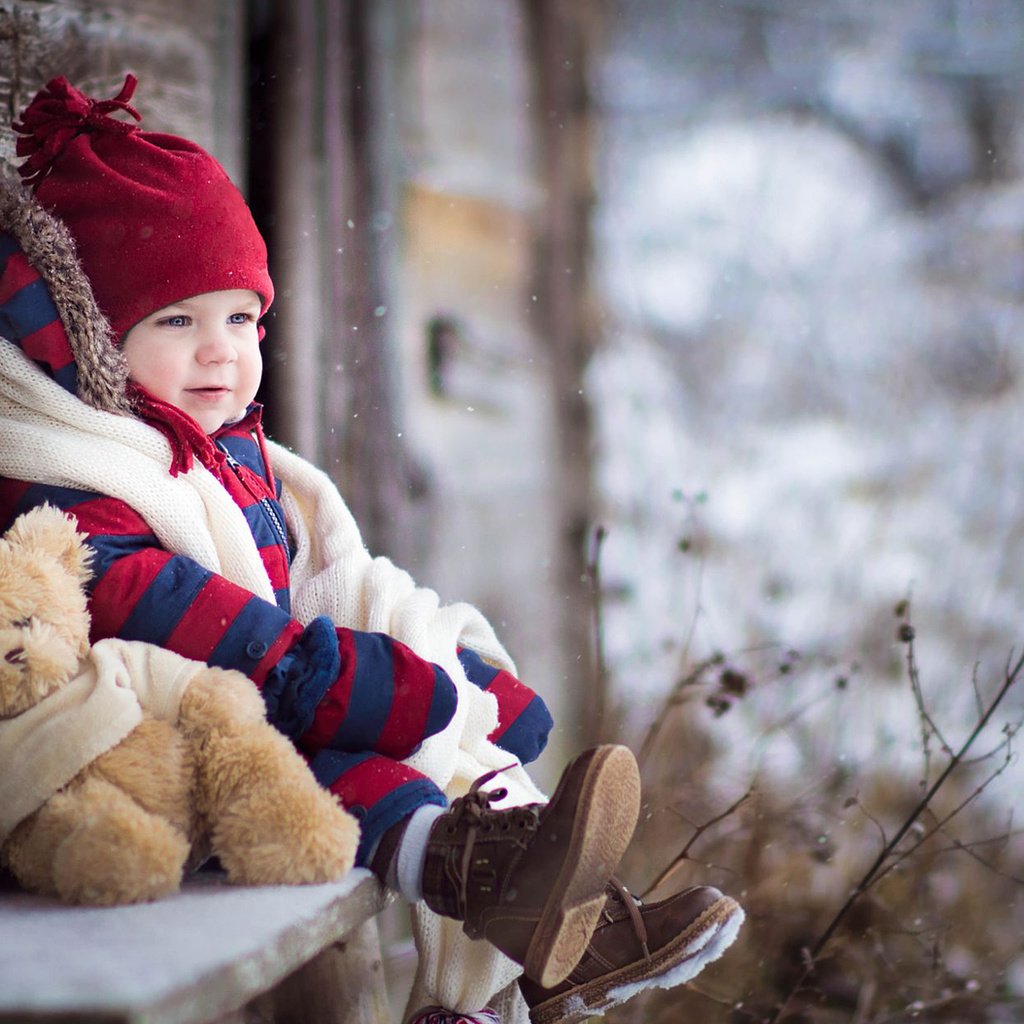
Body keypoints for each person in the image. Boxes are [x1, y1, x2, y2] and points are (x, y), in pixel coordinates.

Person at [0, 75, 744, 1023]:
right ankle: (481, 877)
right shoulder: (69, 475)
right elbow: (147, 599)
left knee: (411, 736)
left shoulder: (226, 458)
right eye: (177, 322)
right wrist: (322, 674)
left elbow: (320, 582)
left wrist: (449, 671)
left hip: (242, 704)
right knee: (338, 756)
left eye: (241, 319)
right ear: (89, 343)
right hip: (136, 749)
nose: (221, 352)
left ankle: (576, 930)